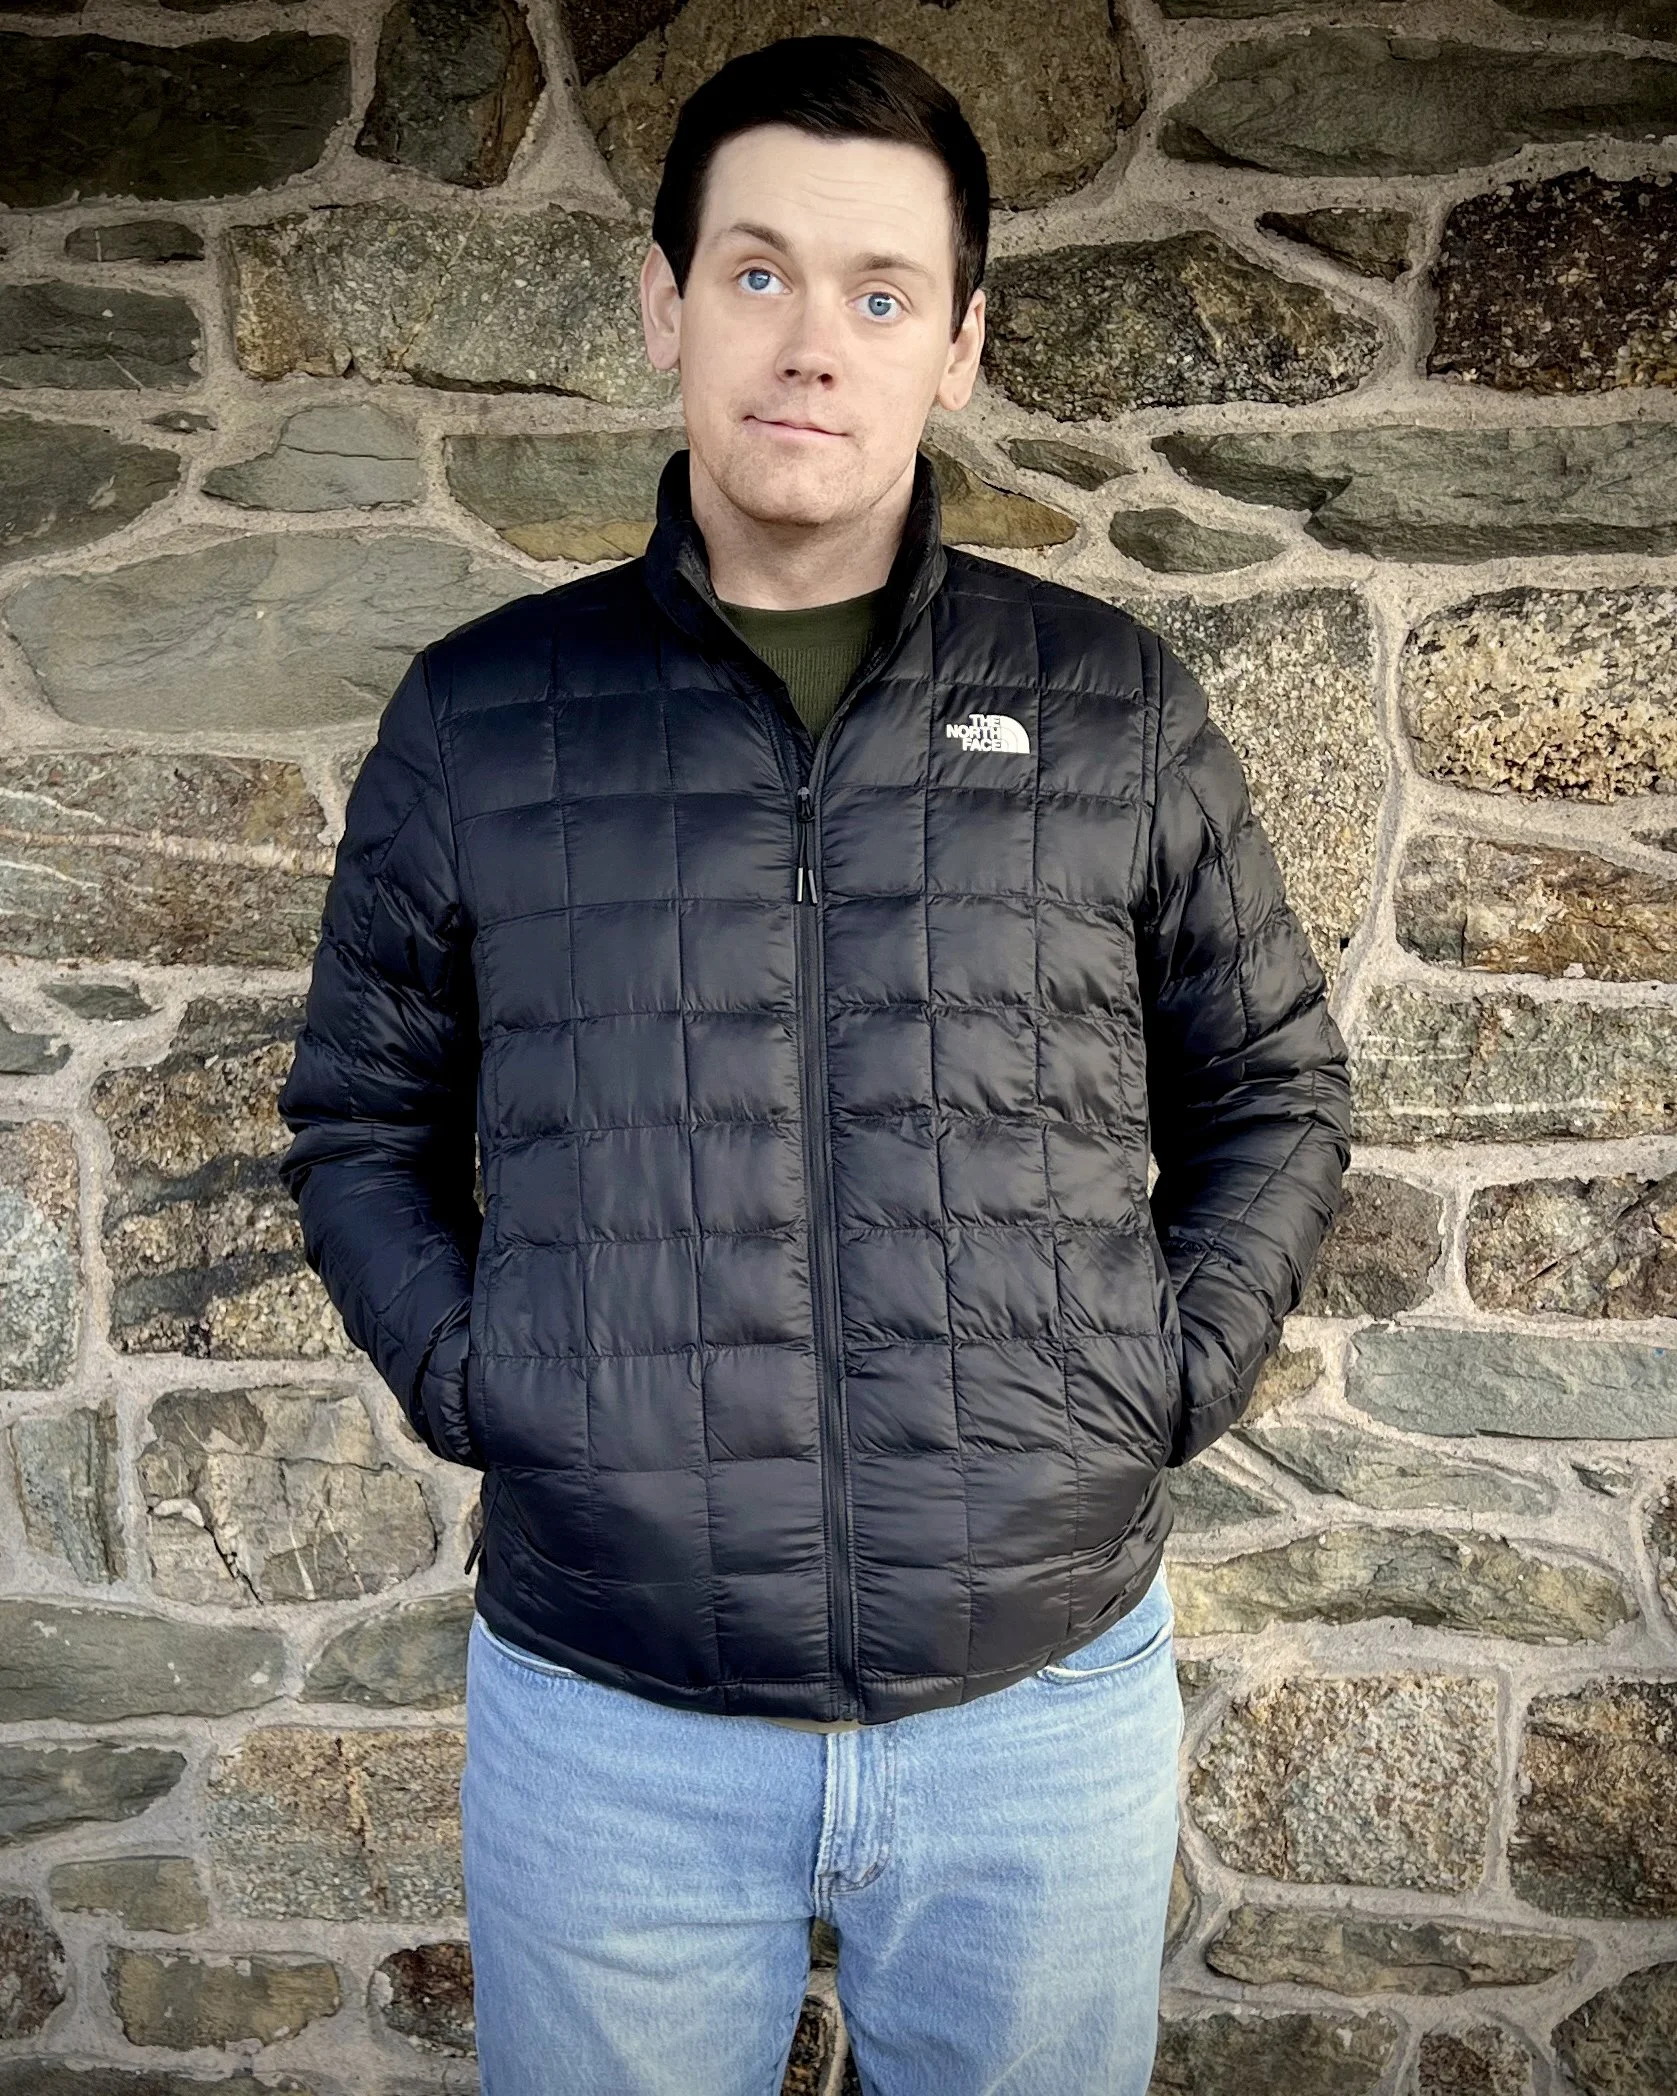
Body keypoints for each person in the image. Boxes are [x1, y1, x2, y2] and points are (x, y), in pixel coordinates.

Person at [276, 33, 1352, 2096]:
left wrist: (1160, 1375)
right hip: (613, 1719)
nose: (812, 340)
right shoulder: (487, 718)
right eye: (757, 274)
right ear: (669, 307)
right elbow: (355, 1118)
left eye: (878, 292)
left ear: (954, 346)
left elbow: (1275, 1089)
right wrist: (486, 1381)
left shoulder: (1109, 705)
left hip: (1035, 1707)